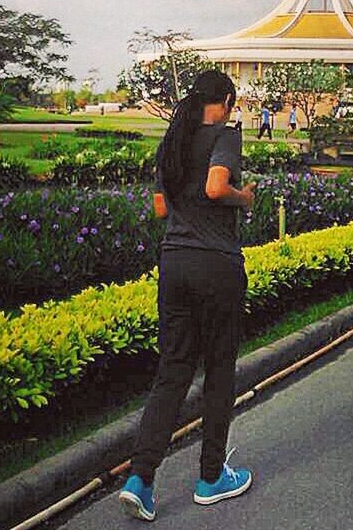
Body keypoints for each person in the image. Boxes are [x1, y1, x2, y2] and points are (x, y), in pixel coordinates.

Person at [119, 70, 256, 521]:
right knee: (218, 371)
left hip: (173, 265)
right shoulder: (226, 136)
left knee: (173, 372)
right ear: (229, 100)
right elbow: (216, 187)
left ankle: (141, 478)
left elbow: (160, 207)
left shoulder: (172, 142)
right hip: (216, 266)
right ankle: (211, 477)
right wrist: (244, 198)